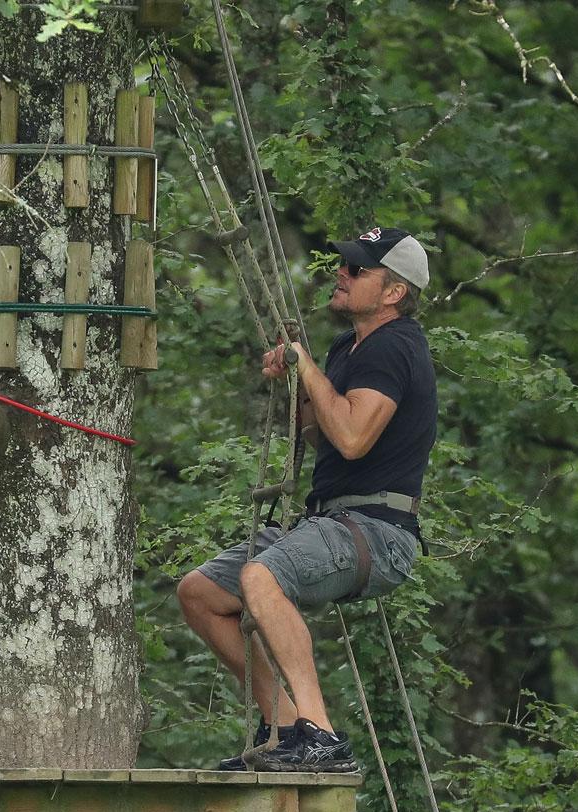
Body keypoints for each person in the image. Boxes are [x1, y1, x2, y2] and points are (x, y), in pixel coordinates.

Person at [178, 227, 437, 773]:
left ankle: (320, 737)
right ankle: (286, 725)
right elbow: (324, 437)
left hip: (377, 530)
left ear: (393, 293)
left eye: (357, 270)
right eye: (344, 265)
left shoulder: (395, 346)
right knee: (199, 594)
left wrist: (309, 366)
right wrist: (300, 382)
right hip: (332, 521)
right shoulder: (350, 346)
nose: (341, 274)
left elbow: (353, 437)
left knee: (261, 578)